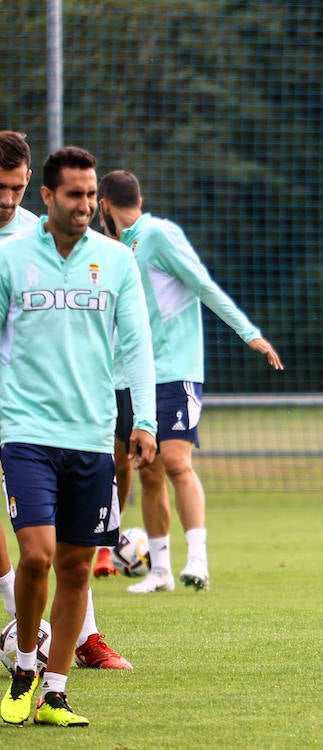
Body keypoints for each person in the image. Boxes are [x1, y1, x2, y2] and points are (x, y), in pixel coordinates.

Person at [0, 146, 159, 728]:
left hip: (92, 436)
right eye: (74, 194)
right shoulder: (11, 260)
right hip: (25, 432)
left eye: (92, 195)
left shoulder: (117, 262)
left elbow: (138, 344)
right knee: (36, 556)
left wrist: (144, 420)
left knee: (73, 567)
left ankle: (56, 694)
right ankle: (23, 668)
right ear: (47, 197)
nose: (86, 205)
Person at [96, 170, 283, 595]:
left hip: (175, 371)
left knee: (177, 463)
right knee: (149, 472)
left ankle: (197, 560)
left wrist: (248, 332)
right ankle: (159, 572)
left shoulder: (159, 234)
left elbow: (202, 283)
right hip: (131, 376)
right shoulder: (114, 249)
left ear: (105, 204)